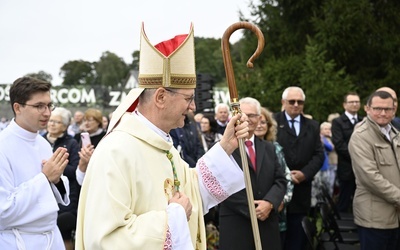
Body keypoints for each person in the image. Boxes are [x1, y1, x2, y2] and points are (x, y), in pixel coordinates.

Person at [75, 23, 249, 250]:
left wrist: (225, 146)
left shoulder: (162, 145)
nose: (193, 106)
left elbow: (191, 192)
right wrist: (173, 218)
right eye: (188, 98)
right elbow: (105, 239)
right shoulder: (116, 151)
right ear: (160, 97)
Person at [0, 77, 70, 249]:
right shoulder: (3, 146)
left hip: (52, 237)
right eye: (39, 106)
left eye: (49, 105)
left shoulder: (43, 143)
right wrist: (45, 178)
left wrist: (57, 181)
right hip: (18, 240)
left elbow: (55, 195)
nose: (47, 113)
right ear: (18, 108)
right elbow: (3, 211)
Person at [219, 97, 287, 250]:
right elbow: (221, 183)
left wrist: (269, 203)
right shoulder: (223, 149)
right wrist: (252, 209)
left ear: (259, 118)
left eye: (252, 116)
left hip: (267, 224)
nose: (246, 119)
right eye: (242, 114)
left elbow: (280, 180)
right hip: (236, 225)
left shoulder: (269, 148)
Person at [273, 86, 324, 250]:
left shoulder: (313, 126)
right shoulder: (273, 122)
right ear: (283, 102)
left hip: (302, 188)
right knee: (277, 238)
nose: (296, 105)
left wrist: (304, 174)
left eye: (300, 102)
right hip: (277, 189)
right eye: (292, 101)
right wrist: (285, 176)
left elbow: (318, 155)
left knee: (297, 238)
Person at [349, 91, 400, 250]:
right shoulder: (361, 136)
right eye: (378, 108)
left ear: (394, 110)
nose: (383, 113)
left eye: (388, 109)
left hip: (395, 216)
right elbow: (370, 178)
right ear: (367, 109)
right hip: (375, 218)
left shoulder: (394, 133)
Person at [254, 106, 293, 248]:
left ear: (269, 126)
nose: (259, 125)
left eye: (263, 122)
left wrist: (278, 201)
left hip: (276, 210)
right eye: (256, 121)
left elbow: (286, 177)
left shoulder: (275, 148)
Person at [43, 107, 80, 250]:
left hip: (66, 197)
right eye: (51, 121)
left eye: (57, 122)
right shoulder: (40, 140)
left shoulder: (71, 144)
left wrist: (56, 167)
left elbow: (75, 171)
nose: (52, 124)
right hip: (44, 195)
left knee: (63, 234)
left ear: (65, 126)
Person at [331, 92, 363, 213]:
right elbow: (339, 145)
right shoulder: (338, 122)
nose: (355, 104)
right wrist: (358, 158)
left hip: (362, 170)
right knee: (344, 201)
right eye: (351, 102)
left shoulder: (363, 121)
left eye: (357, 102)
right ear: (345, 105)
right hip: (347, 169)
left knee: (361, 202)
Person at [74, 108, 106, 185]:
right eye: (85, 120)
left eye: (90, 120)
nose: (86, 123)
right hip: (80, 175)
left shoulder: (105, 137)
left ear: (98, 122)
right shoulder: (78, 136)